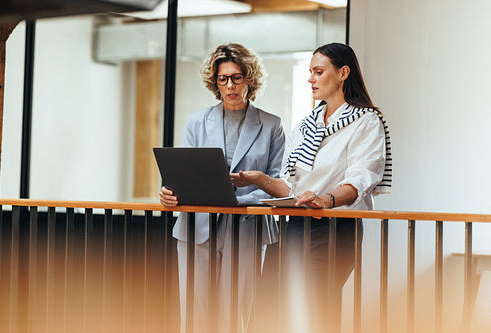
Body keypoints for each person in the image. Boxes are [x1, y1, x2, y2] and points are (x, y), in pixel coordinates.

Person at [230, 42, 392, 332]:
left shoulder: (366, 121)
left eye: (318, 72)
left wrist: (326, 200)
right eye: (310, 72)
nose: (311, 79)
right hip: (294, 226)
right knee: (270, 310)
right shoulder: (305, 126)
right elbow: (291, 188)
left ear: (343, 73)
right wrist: (260, 179)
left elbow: (361, 180)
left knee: (315, 314)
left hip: (334, 229)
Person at [159, 43, 285, 333]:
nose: (230, 85)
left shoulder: (271, 125)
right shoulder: (196, 121)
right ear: (215, 82)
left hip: (247, 225)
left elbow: (277, 183)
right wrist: (167, 191)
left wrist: (243, 197)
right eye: (223, 78)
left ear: (249, 79)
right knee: (194, 314)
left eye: (237, 77)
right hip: (197, 225)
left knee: (235, 314)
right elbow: (181, 172)